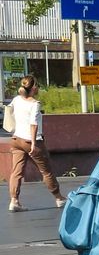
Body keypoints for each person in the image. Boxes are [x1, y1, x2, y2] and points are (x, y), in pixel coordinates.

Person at [7, 75, 66, 211]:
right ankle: (59, 198)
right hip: (31, 141)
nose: (38, 88)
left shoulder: (16, 100)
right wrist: (33, 143)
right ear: (33, 88)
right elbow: (33, 124)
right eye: (37, 85)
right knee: (46, 171)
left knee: (16, 172)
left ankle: (14, 201)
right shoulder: (35, 104)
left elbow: (9, 111)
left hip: (16, 139)